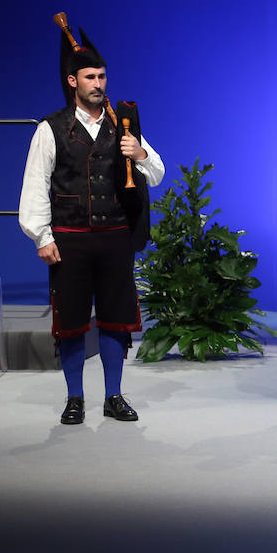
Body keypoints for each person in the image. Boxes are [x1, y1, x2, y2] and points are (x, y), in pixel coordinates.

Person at [18, 34, 164, 425]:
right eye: (90, 77)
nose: (99, 84)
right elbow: (35, 184)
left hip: (115, 235)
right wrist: (42, 236)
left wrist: (141, 153)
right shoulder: (52, 128)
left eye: (102, 76)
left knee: (116, 319)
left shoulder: (122, 124)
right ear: (72, 82)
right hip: (70, 240)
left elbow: (157, 172)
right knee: (71, 323)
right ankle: (75, 398)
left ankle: (114, 396)